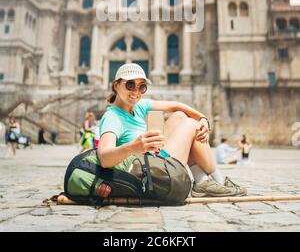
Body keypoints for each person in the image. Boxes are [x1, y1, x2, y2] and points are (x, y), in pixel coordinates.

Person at [98, 63, 247, 198]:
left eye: (141, 86)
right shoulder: (112, 117)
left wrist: (203, 119)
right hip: (150, 176)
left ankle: (201, 182)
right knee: (190, 125)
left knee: (179, 116)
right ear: (116, 85)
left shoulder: (139, 107)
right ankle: (218, 181)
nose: (136, 91)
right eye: (130, 85)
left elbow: (175, 106)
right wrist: (134, 147)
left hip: (154, 164)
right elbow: (104, 158)